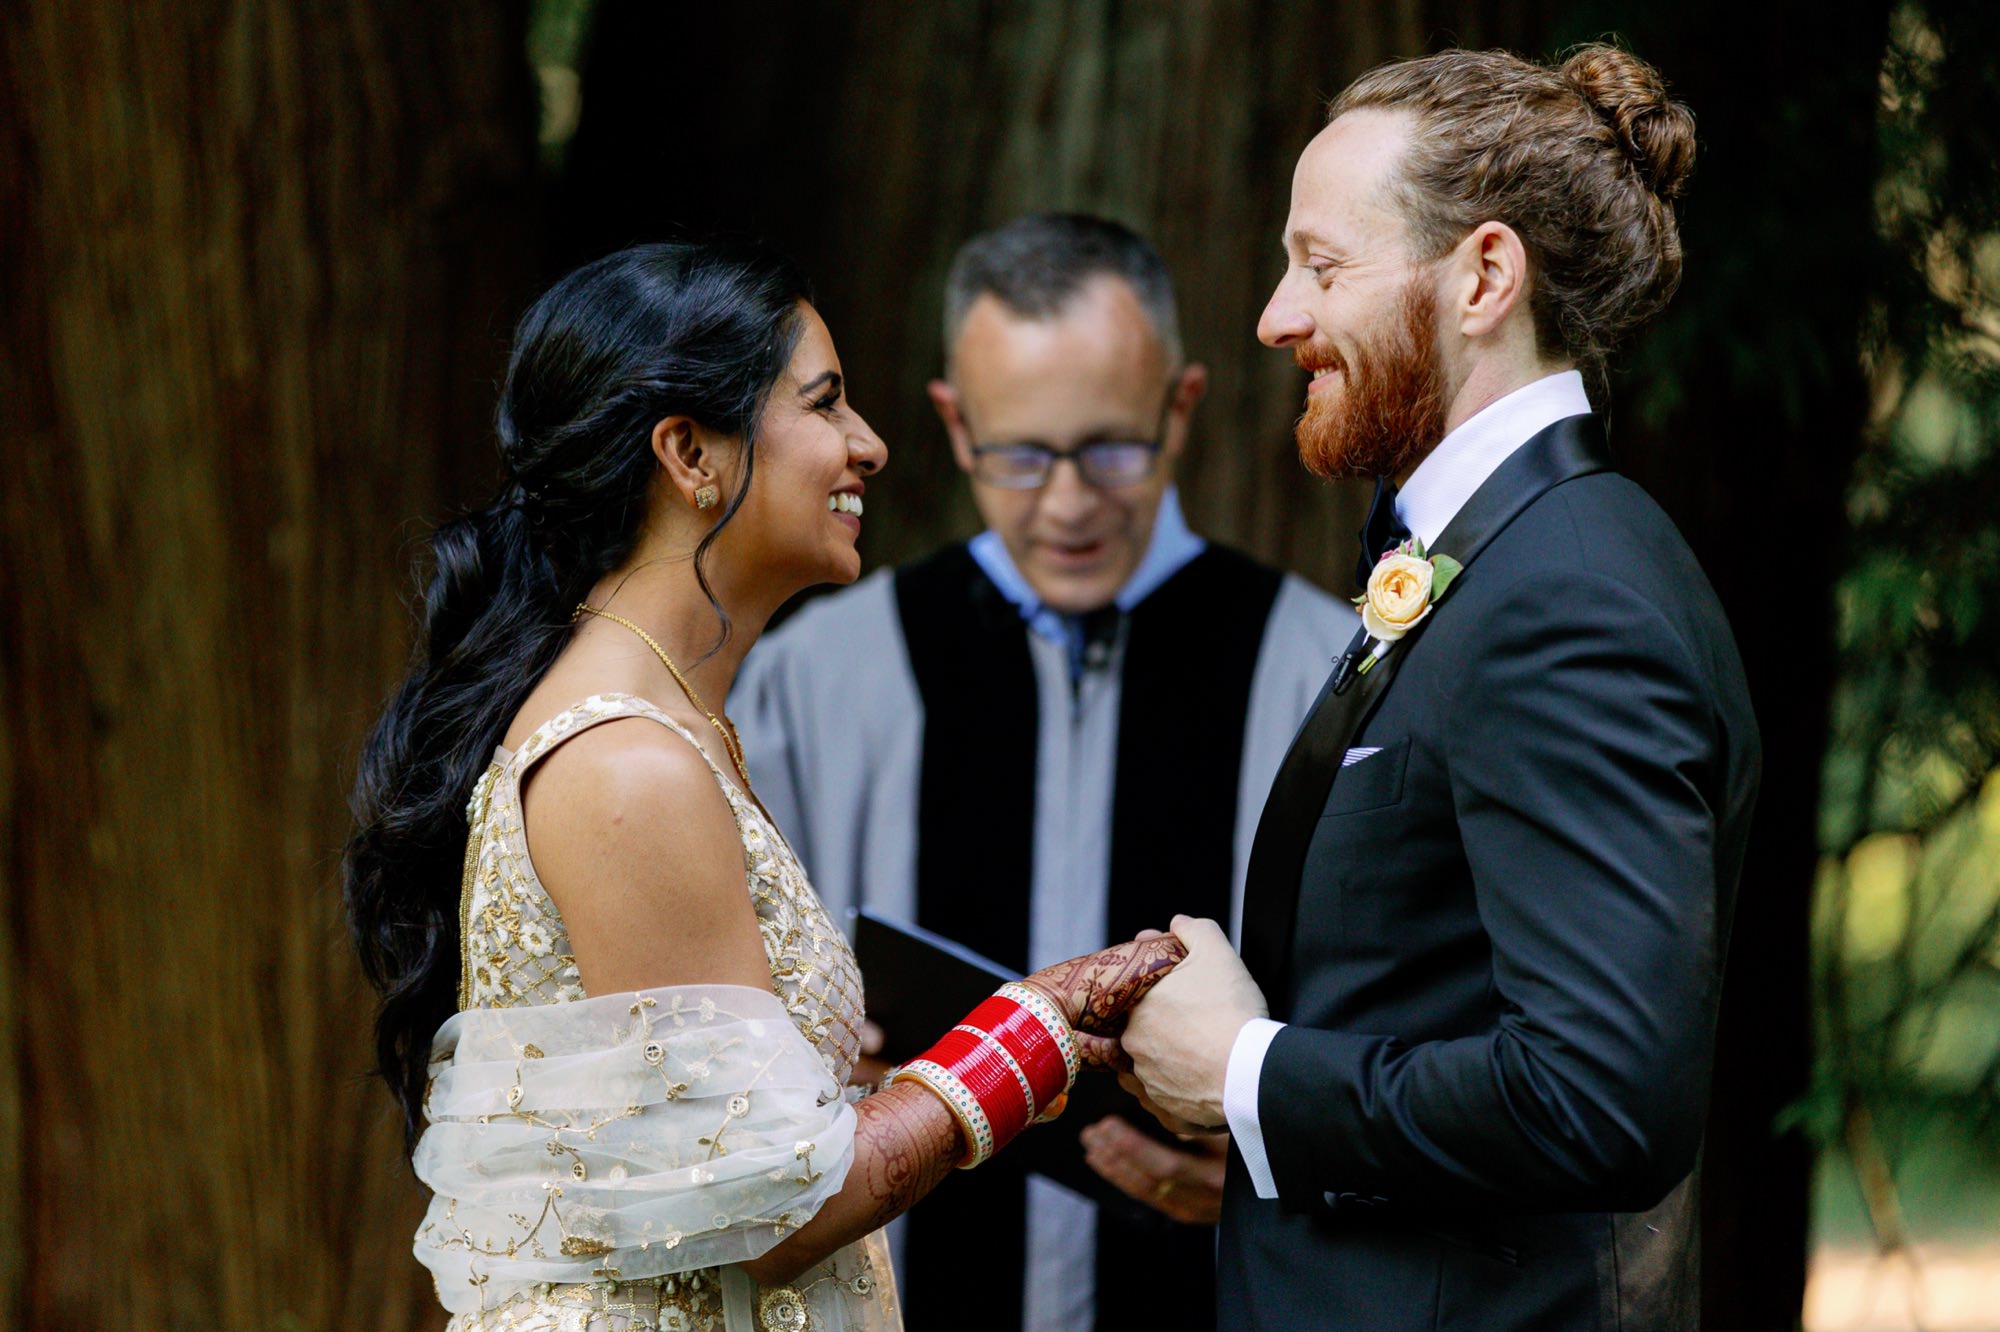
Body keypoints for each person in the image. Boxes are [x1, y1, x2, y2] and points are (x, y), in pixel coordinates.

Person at [343, 240, 1184, 1332]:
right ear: (691, 453)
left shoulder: (678, 729)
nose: (868, 446)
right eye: (824, 404)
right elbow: (780, 1201)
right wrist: (1036, 1027)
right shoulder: (626, 762)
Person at [1121, 45, 1761, 1331]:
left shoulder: (1570, 595)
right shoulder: (1488, 562)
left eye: (1322, 264)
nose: (1272, 316)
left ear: (1480, 276)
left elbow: (1597, 1098)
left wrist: (1244, 1074)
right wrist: (1260, 1126)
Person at [731, 213, 1353, 1330]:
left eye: (1110, 448)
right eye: (1018, 455)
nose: (1065, 504)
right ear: (953, 424)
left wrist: (1284, 1173)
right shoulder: (822, 675)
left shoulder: (1315, 671)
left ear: (1180, 408)